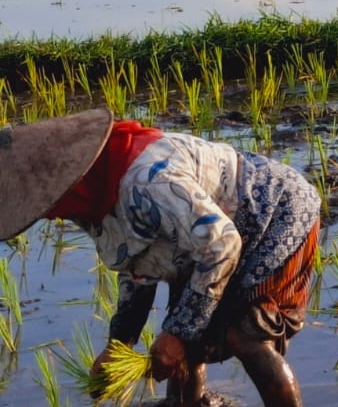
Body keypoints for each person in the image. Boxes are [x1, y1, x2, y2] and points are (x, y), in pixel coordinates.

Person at [0, 108, 321, 407]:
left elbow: (221, 244)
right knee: (186, 338)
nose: (51, 216)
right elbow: (136, 262)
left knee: (247, 335)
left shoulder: (149, 181)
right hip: (207, 232)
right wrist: (120, 343)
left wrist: (177, 333)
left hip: (274, 212)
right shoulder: (96, 188)